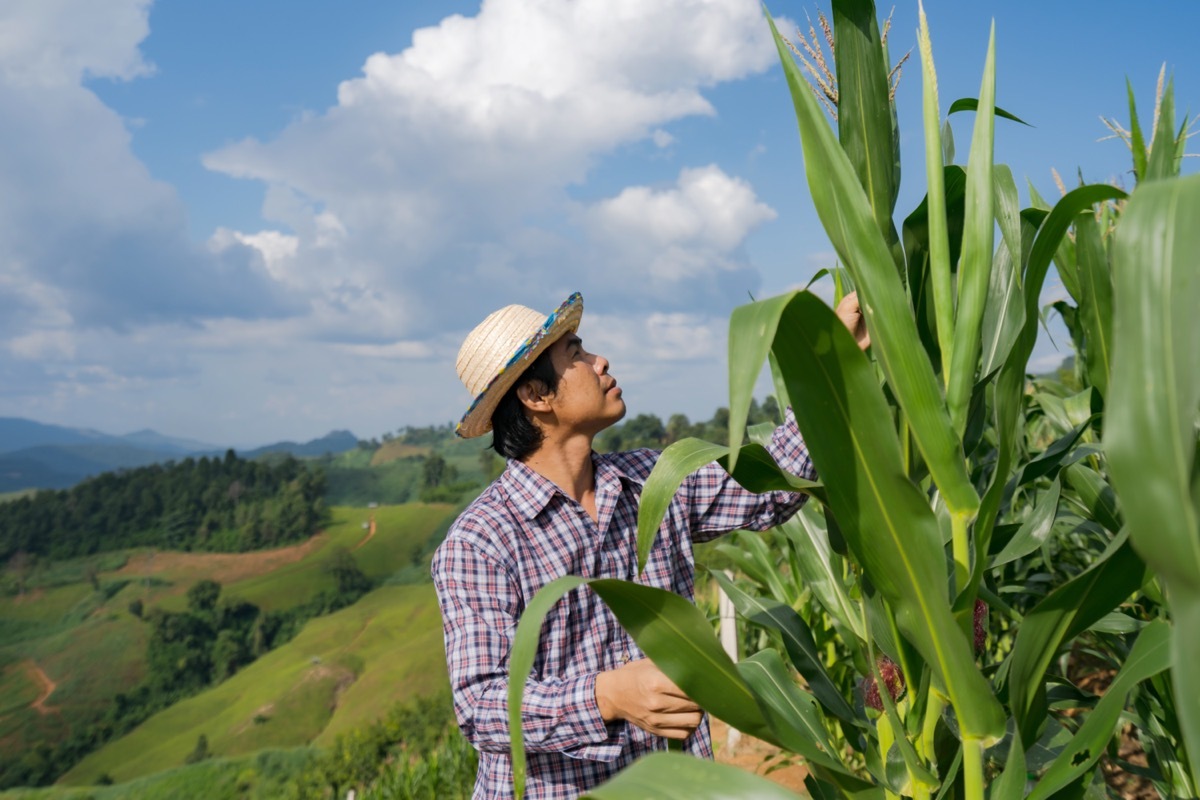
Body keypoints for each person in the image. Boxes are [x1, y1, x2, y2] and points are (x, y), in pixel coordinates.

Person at [432, 290, 868, 800]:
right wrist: (607, 696)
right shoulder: (481, 541)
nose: (600, 361)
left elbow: (773, 488)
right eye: (576, 354)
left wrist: (827, 359)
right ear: (535, 395)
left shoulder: (652, 482)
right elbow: (481, 707)